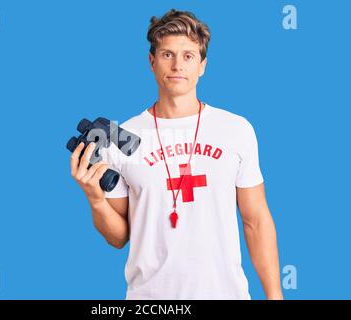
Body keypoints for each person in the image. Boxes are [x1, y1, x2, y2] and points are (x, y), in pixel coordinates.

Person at [70, 9, 283, 300]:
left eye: (188, 56)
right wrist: (95, 198)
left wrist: (275, 296)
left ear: (203, 65)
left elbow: (255, 220)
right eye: (167, 55)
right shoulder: (123, 138)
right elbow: (119, 237)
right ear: (152, 62)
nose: (177, 65)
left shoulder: (236, 130)